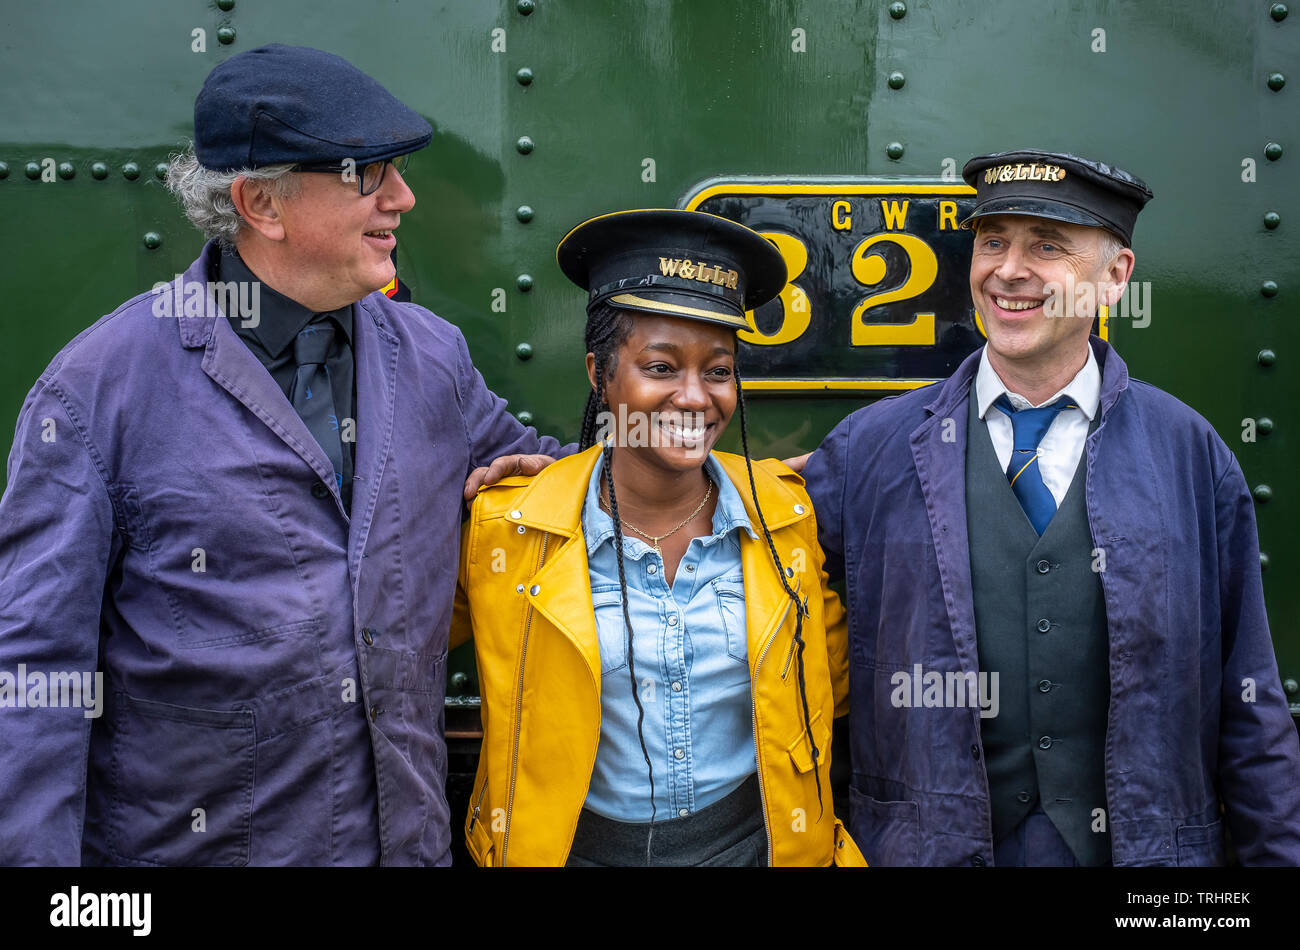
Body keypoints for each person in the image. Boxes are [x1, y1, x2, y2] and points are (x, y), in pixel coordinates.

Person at [0, 44, 565, 866]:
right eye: (367, 175)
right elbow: (34, 678)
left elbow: (546, 475)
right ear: (262, 204)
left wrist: (783, 486)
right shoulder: (98, 390)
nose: (403, 199)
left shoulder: (432, 358)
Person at [802, 149, 1300, 866]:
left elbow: (1251, 707)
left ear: (1116, 278)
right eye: (993, 241)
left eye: (1047, 246)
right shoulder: (868, 452)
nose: (1008, 269)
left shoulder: (1190, 453)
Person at [452, 209, 864, 866]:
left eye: (720, 370)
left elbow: (832, 684)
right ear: (600, 374)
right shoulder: (510, 528)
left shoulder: (783, 514)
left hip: (754, 850)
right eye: (661, 367)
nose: (695, 398)